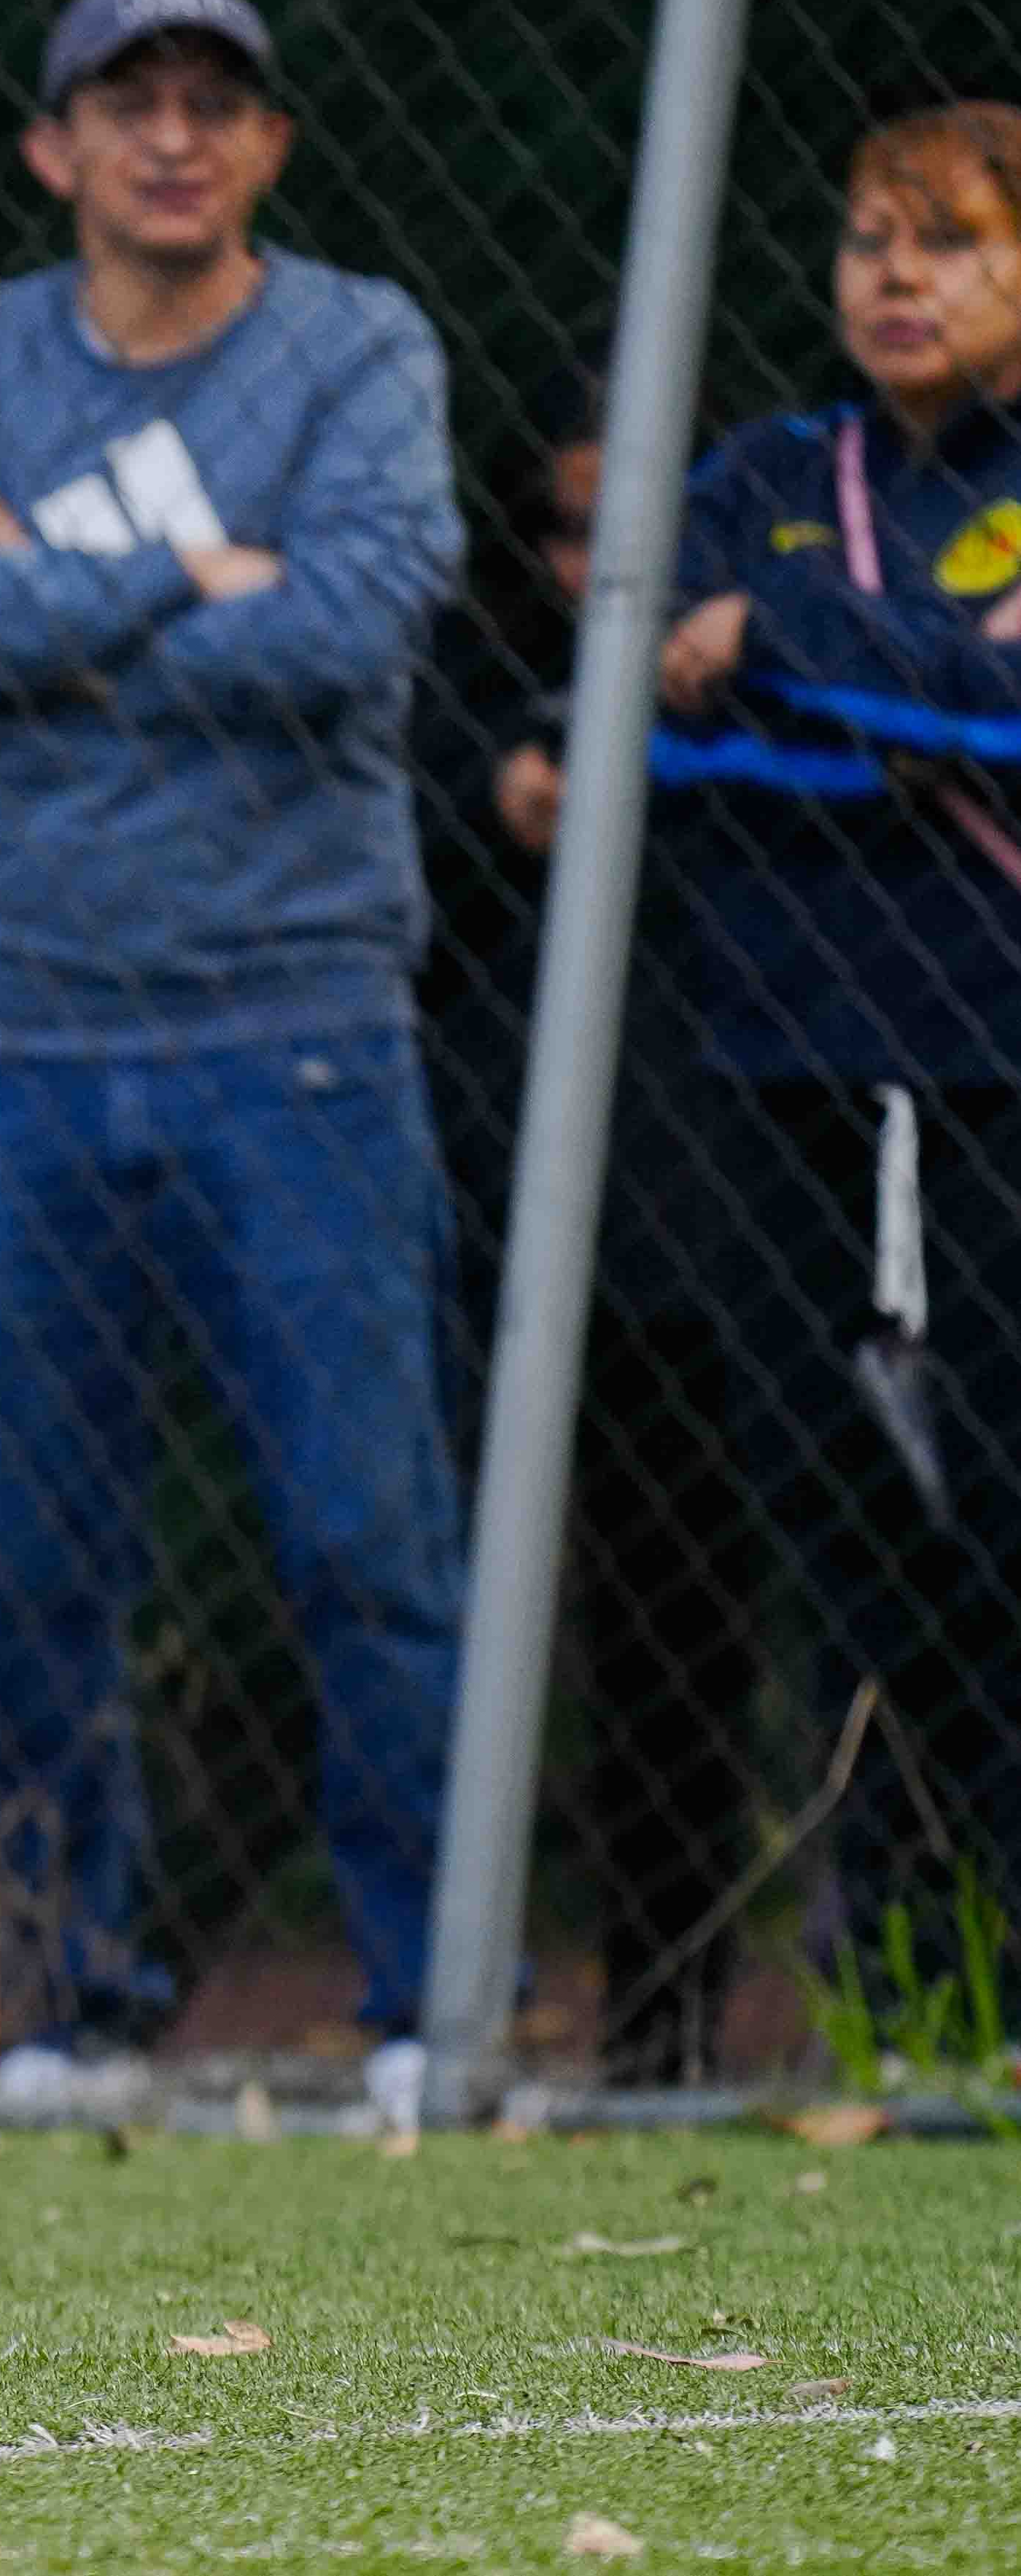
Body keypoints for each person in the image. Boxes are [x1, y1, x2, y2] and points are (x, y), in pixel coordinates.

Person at [0, 0, 467, 2121]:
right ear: (53, 148)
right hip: (9, 1045)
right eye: (128, 101)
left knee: (363, 1543)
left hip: (298, 1037)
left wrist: (47, 602)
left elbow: (355, 623)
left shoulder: (356, 343)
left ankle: (418, 2009)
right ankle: (60, 2010)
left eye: (213, 100)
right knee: (29, 1566)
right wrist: (197, 579)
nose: (171, 135)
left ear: (265, 143)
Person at [648, 101, 1021, 2011]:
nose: (893, 276)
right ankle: (897, 1952)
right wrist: (911, 677)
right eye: (867, 238)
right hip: (779, 1040)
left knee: (999, 1483)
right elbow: (688, 750)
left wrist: (782, 634)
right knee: (823, 1491)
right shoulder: (760, 469)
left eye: (946, 241)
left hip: (990, 1053)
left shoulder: (792, 547)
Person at [414, 359, 755, 2086]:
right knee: (435, 1586)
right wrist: (503, 799)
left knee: (685, 1623)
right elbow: (412, 852)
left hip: (713, 1237)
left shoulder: (773, 667)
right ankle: (434, 1998)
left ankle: (681, 2009)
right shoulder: (460, 682)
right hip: (486, 1230)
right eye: (570, 527)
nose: (601, 565)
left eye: (646, 528)